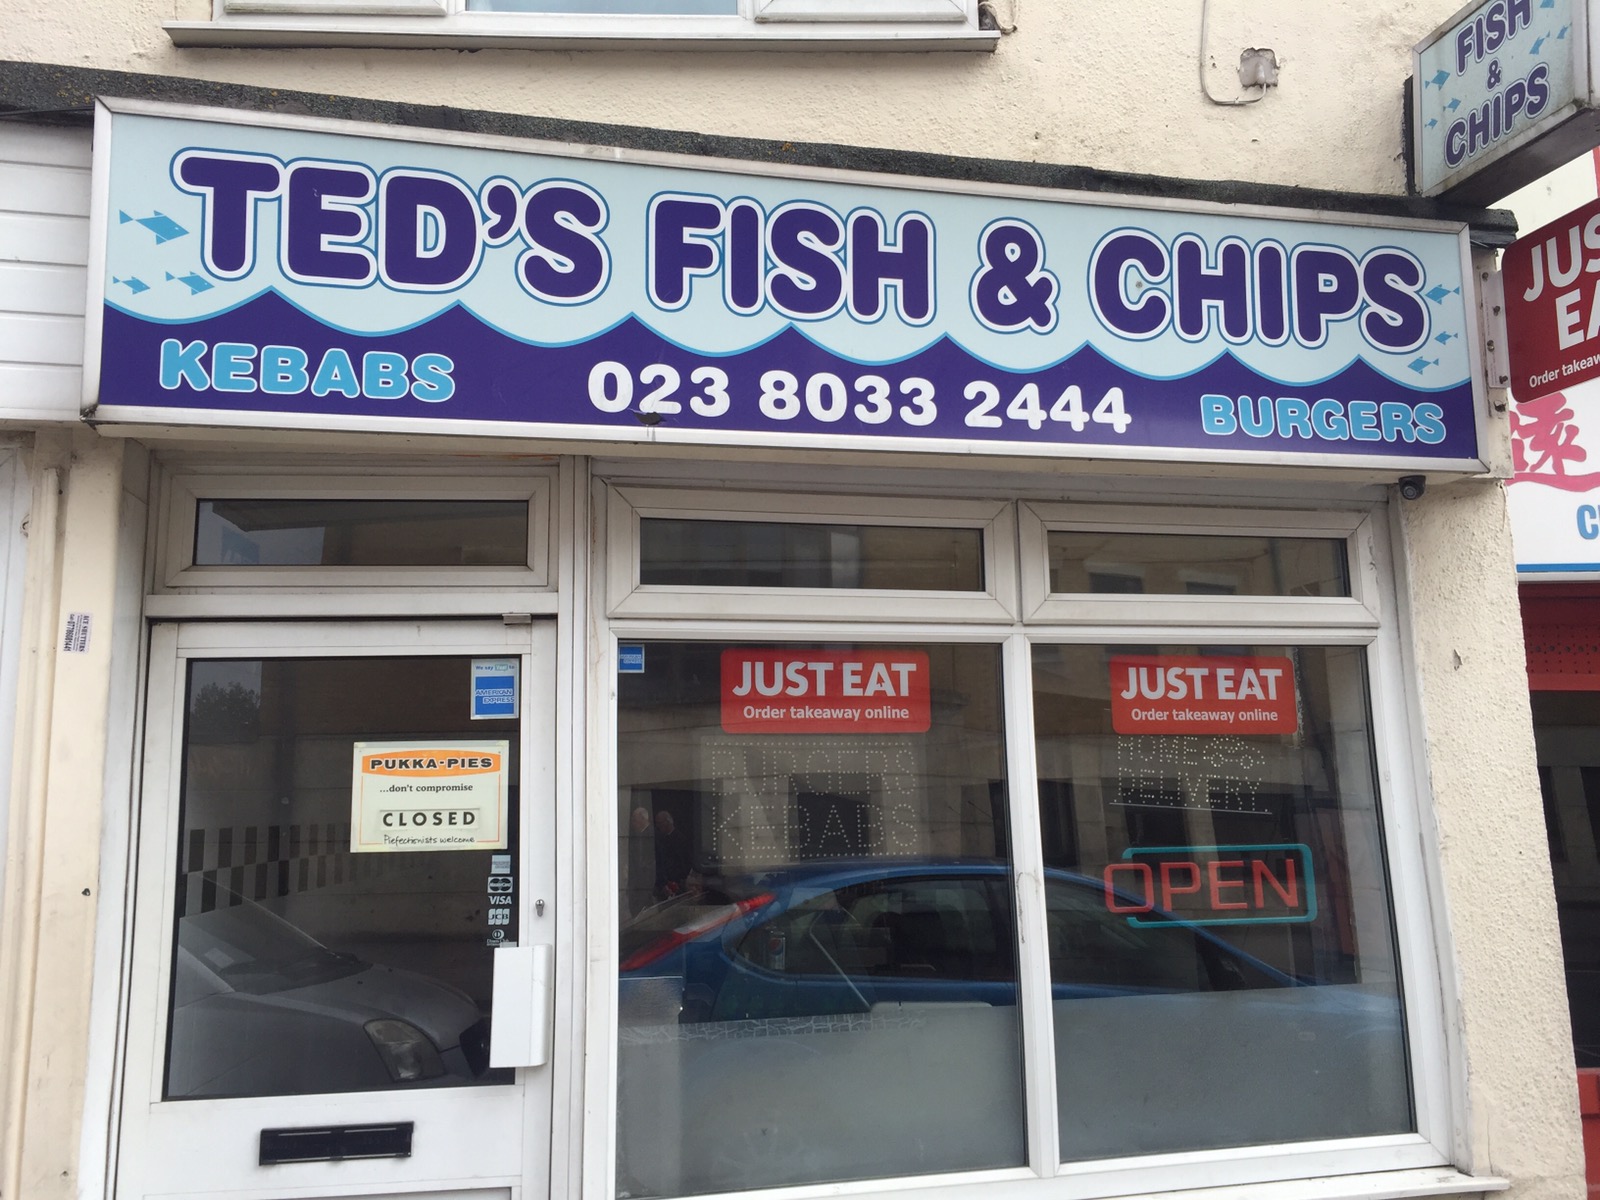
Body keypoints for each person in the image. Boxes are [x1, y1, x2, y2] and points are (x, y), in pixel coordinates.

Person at [653, 809, 693, 900]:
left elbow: (684, 861)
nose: (658, 826)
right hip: (664, 881)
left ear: (668, 822)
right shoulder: (660, 839)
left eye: (660, 823)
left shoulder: (680, 839)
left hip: (676, 881)